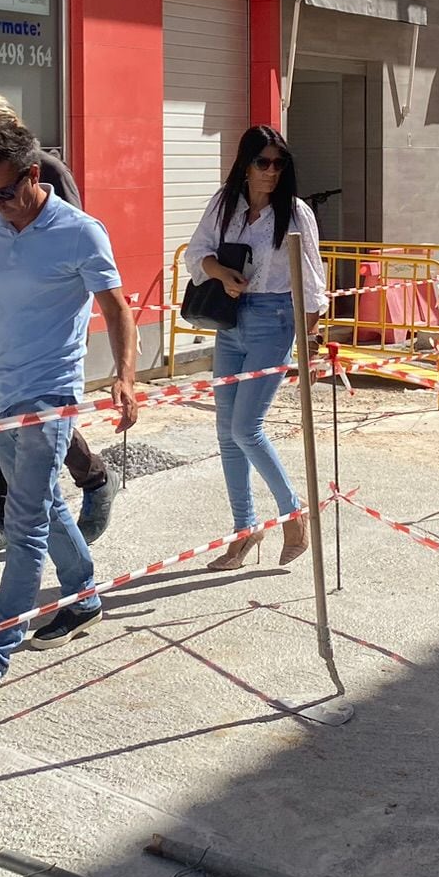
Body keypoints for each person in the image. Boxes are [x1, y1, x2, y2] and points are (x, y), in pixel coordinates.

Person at [0, 121, 139, 702]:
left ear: (34, 177)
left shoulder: (80, 232)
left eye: (6, 193)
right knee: (42, 504)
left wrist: (124, 374)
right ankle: (84, 595)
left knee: (23, 520)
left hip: (49, 396)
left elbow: (116, 307)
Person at [0, 94, 119, 558]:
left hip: (45, 322)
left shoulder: (46, 170)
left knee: (40, 420)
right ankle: (2, 513)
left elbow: (79, 247)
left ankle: (92, 477)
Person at [184, 125, 326, 572]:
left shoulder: (296, 213)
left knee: (247, 428)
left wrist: (309, 342)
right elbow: (196, 253)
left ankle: (293, 514)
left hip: (276, 319)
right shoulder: (225, 203)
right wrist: (222, 274)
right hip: (232, 319)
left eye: (279, 164)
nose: (271, 172)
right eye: (262, 162)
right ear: (245, 164)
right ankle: (246, 530)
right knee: (226, 433)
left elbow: (314, 281)